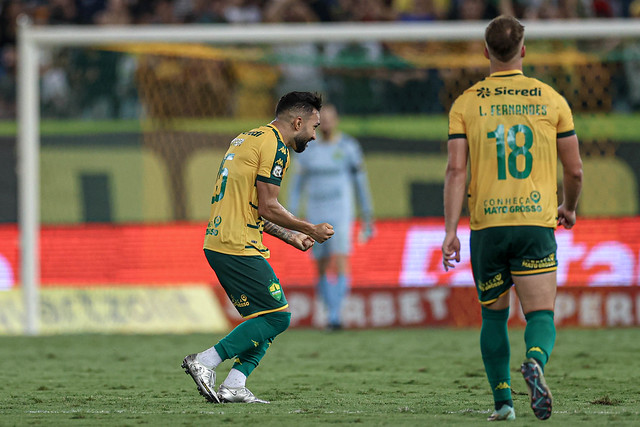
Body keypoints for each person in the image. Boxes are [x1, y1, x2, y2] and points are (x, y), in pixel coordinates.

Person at [441, 16, 583, 421]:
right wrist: (569, 208)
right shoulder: (552, 99)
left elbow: (455, 171)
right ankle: (535, 359)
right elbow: (575, 171)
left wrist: (451, 231)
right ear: (523, 50)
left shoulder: (466, 103)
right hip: (535, 221)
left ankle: (503, 402)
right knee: (540, 314)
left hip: (487, 224)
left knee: (493, 315)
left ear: (485, 52)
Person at [182, 91, 334, 404]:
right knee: (279, 317)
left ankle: (234, 385)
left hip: (222, 238)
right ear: (297, 121)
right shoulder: (277, 147)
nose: (315, 135)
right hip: (236, 242)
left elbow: (251, 205)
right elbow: (269, 206)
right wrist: (310, 228)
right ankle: (205, 361)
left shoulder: (247, 139)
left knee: (267, 317)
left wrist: (290, 237)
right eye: (314, 127)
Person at [287, 103, 374, 330]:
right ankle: (330, 311)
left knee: (342, 257)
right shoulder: (306, 149)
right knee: (322, 263)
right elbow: (296, 187)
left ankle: (335, 314)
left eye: (329, 118)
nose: (325, 123)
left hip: (341, 212)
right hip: (316, 212)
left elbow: (360, 183)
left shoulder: (348, 147)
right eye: (319, 120)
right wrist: (290, 217)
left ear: (337, 120)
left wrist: (367, 215)